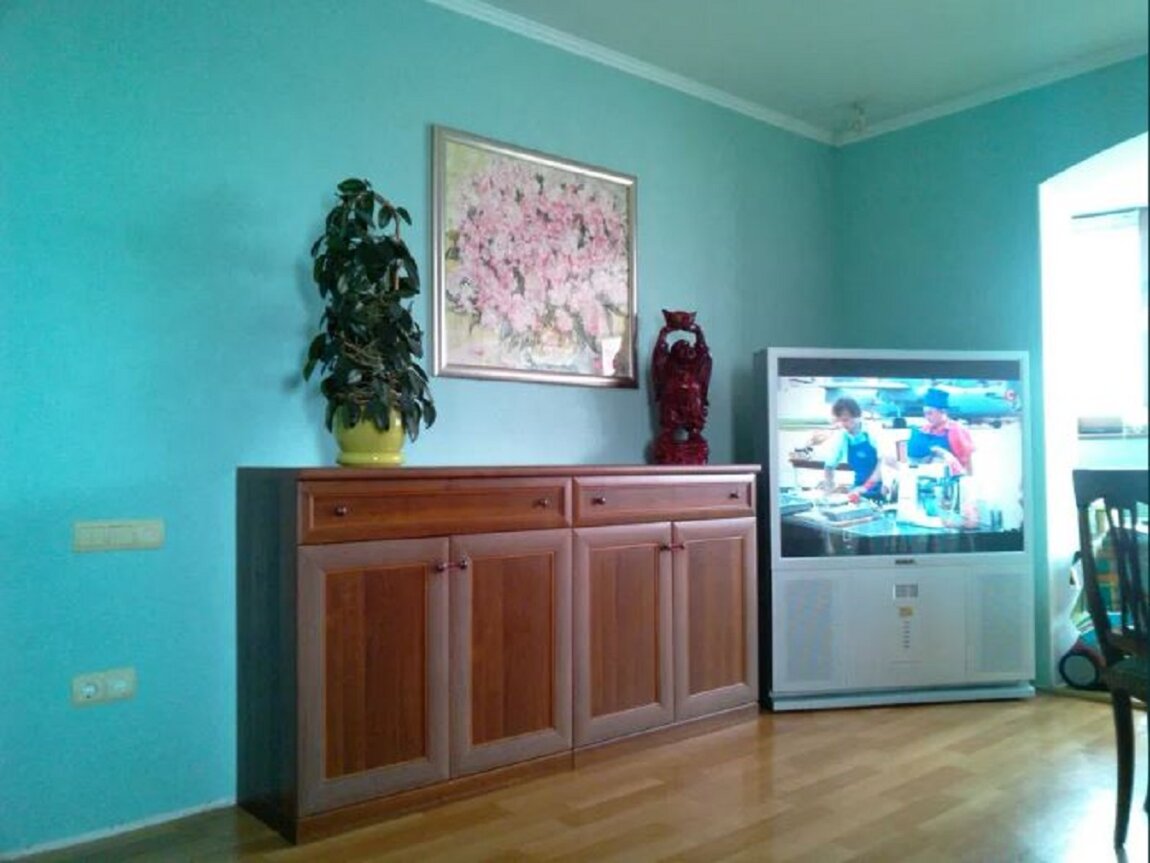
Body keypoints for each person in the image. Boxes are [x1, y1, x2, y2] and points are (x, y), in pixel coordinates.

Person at [809, 397, 886, 501]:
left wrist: (865, 487)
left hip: (880, 488)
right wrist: (828, 490)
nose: (842, 424)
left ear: (857, 417)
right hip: (858, 488)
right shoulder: (843, 436)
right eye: (839, 420)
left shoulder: (873, 431)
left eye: (845, 420)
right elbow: (829, 465)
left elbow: (883, 465)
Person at [906, 387, 975, 475]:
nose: (927, 417)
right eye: (925, 414)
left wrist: (969, 478)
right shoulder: (925, 430)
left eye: (930, 413)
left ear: (943, 412)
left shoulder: (957, 430)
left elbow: (967, 459)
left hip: (950, 475)